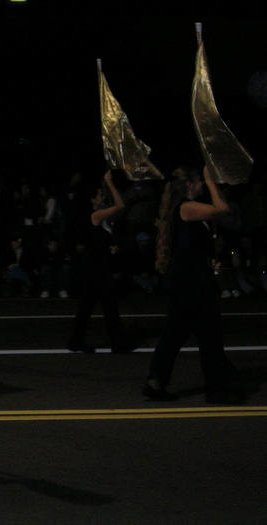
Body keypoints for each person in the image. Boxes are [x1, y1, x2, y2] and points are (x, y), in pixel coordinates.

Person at [143, 166, 246, 404]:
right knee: (209, 331)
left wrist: (208, 259)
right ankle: (216, 388)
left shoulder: (185, 208)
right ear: (189, 184)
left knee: (175, 332)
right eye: (198, 180)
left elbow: (191, 244)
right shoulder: (186, 207)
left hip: (186, 275)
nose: (201, 183)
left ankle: (156, 381)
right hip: (189, 279)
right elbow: (223, 209)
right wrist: (211, 181)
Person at [67, 171, 135, 353]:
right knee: (108, 306)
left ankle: (76, 341)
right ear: (92, 200)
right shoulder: (95, 216)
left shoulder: (100, 218)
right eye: (98, 195)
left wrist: (110, 251)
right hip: (95, 268)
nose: (102, 197)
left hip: (95, 266)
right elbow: (120, 205)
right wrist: (109, 182)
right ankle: (118, 344)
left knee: (89, 306)